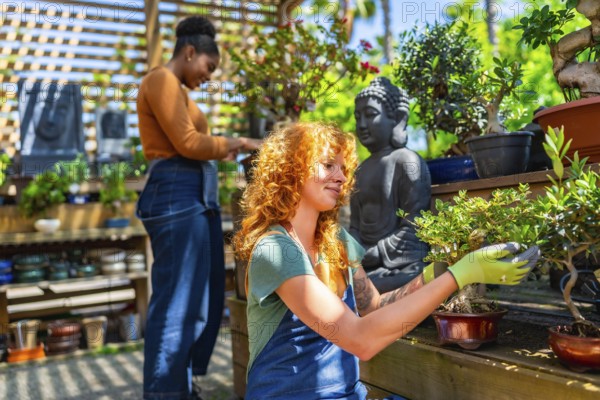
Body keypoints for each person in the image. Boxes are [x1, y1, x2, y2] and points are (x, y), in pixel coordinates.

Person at [233, 122, 539, 399]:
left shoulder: (337, 242)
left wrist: (434, 274)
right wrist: (459, 276)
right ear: (292, 170)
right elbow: (359, 340)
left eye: (343, 168)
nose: (341, 177)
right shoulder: (275, 249)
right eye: (328, 165)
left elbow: (374, 309)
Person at [136, 16, 260, 400]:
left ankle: (180, 387)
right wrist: (235, 142)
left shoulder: (180, 91)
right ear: (189, 52)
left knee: (200, 302)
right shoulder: (160, 80)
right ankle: (164, 393)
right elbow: (189, 143)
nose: (208, 76)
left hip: (193, 195)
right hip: (175, 194)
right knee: (177, 303)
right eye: (208, 67)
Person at [351, 77, 432, 292]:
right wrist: (352, 250)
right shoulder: (359, 171)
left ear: (396, 118)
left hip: (399, 263)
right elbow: (355, 226)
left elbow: (416, 224)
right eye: (357, 117)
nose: (361, 125)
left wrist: (378, 252)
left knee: (413, 277)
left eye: (370, 115)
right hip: (365, 264)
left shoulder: (407, 161)